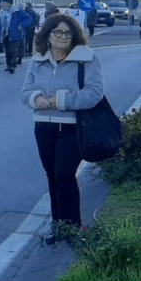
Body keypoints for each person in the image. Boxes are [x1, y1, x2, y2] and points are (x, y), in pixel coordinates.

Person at [20, 13, 107, 244]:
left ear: (75, 36)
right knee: (52, 176)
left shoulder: (87, 59)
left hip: (72, 127)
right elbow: (25, 91)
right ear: (47, 35)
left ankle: (72, 228)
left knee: (64, 174)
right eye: (57, 32)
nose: (62, 37)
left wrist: (61, 100)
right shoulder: (38, 60)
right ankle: (58, 227)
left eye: (68, 33)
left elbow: (94, 93)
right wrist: (36, 99)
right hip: (43, 125)